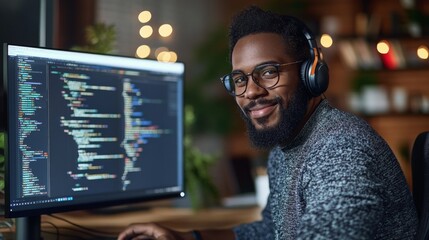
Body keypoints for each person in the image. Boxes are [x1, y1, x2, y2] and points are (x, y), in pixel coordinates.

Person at [118, 6, 418, 240]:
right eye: (240, 78)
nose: (251, 91)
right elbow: (270, 231)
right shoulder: (285, 148)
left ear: (310, 74)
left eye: (269, 72)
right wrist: (188, 236)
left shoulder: (340, 147)